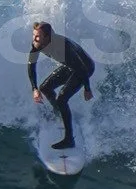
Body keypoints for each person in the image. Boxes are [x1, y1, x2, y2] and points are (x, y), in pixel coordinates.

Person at [27, 21, 96, 152]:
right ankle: (59, 113)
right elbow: (31, 66)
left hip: (85, 68)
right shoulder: (37, 44)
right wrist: (34, 89)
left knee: (62, 99)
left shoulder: (62, 47)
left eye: (38, 36)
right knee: (45, 88)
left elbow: (81, 68)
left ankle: (69, 140)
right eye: (33, 35)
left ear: (47, 37)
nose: (34, 39)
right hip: (71, 66)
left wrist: (87, 89)